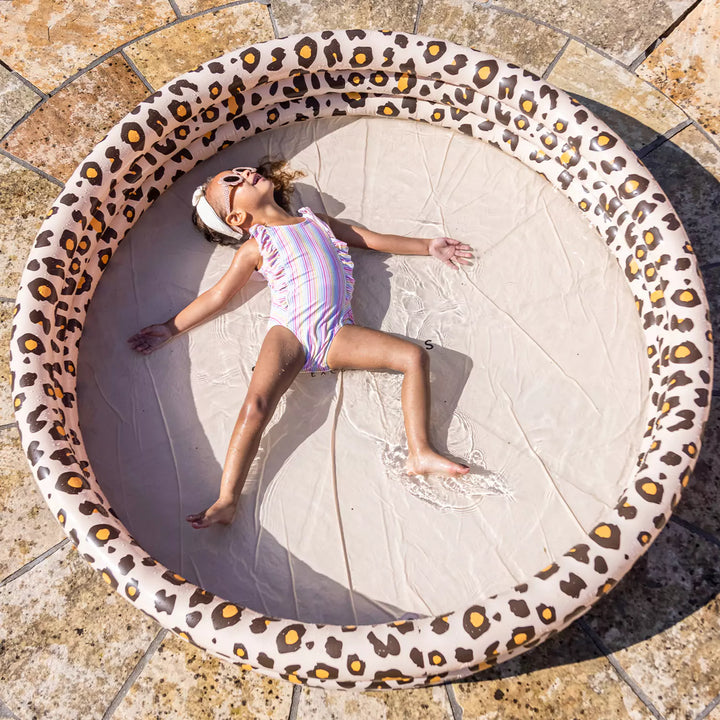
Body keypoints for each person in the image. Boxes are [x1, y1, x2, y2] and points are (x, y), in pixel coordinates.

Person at [127, 161, 474, 529]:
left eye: (243, 170)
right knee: (256, 405)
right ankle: (227, 499)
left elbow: (368, 238)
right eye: (232, 181)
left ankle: (419, 451)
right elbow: (217, 296)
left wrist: (427, 246)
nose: (244, 174)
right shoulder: (255, 247)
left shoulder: (318, 221)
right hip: (289, 329)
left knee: (413, 356)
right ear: (237, 218)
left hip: (336, 333)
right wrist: (169, 327)